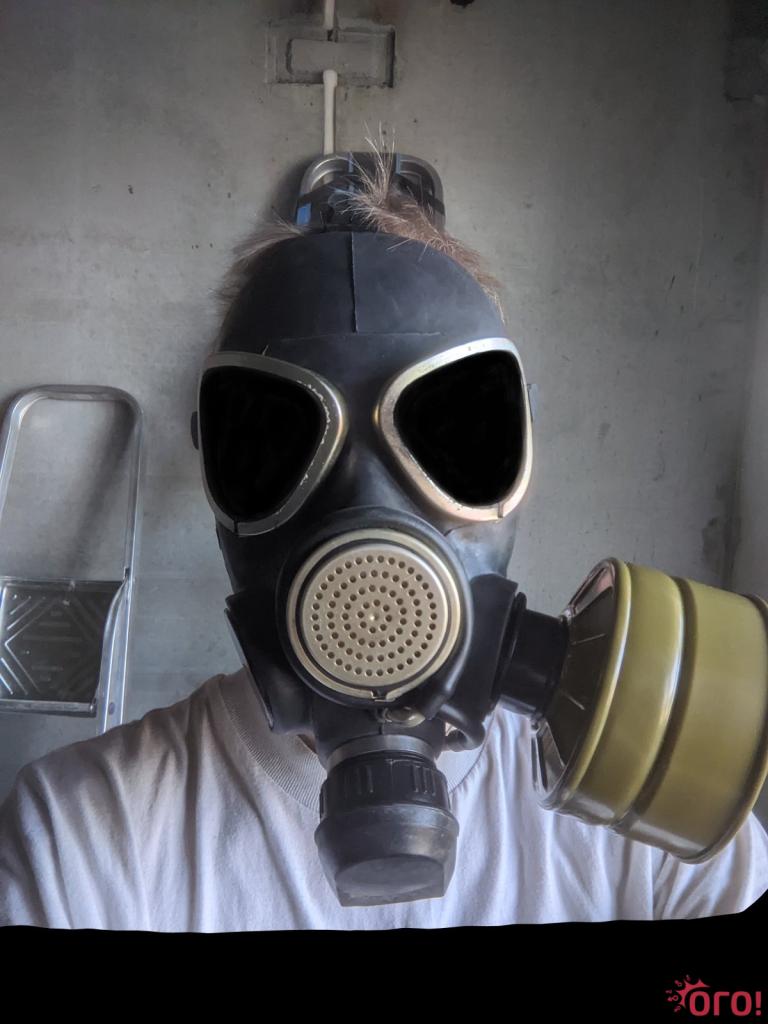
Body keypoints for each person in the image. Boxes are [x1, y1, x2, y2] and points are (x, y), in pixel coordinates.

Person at [2, 160, 767, 930]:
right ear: (217, 474)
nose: (368, 513)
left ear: (523, 455)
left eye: (452, 432)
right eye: (279, 438)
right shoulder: (78, 839)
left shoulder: (659, 823)